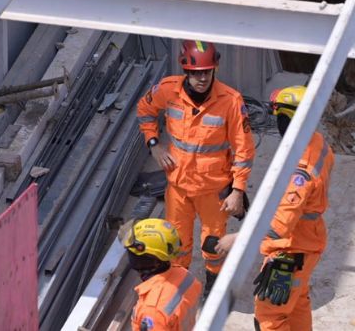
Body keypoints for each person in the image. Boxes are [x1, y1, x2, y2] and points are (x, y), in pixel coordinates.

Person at [137, 40, 255, 296]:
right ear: (186, 71)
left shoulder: (230, 101)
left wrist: (238, 190)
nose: (202, 78)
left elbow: (244, 150)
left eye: (207, 71)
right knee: (177, 245)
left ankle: (214, 290)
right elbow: (145, 110)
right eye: (196, 73)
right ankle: (180, 290)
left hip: (213, 192)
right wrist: (154, 144)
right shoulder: (168, 90)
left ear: (215, 68)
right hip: (178, 188)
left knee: (214, 246)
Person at [216, 85, 333, 331]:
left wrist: (237, 238)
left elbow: (279, 226)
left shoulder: (299, 170)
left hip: (292, 249)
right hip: (309, 241)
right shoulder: (318, 142)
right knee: (297, 302)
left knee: (270, 316)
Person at [124, 218, 202, 331]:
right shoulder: (184, 275)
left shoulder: (152, 311)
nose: (129, 254)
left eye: (131, 252)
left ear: (151, 259)